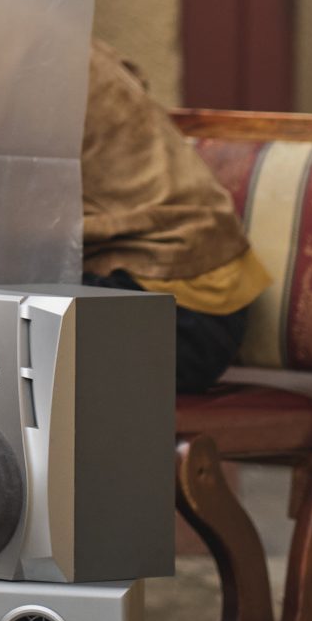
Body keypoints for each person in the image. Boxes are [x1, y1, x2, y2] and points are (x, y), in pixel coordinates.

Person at [82, 40, 269, 392]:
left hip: (175, 309)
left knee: (3, 329)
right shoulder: (62, 40)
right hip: (157, 290)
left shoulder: (26, 60)